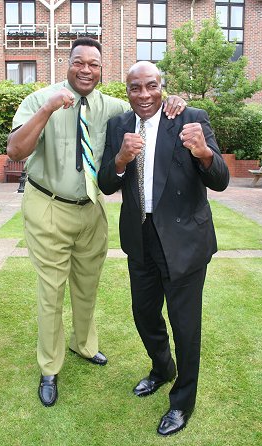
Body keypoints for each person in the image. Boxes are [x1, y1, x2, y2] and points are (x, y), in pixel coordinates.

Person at [7, 37, 186, 408]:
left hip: (92, 209)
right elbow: (15, 150)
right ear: (67, 64)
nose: (86, 69)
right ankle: (49, 368)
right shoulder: (39, 99)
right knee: (51, 292)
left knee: (87, 287)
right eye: (79, 62)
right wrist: (50, 109)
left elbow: (146, 106)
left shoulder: (113, 107)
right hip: (48, 206)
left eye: (94, 64)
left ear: (102, 69)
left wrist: (174, 102)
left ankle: (84, 345)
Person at [98, 61, 229, 436]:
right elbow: (107, 183)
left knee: (186, 326)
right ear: (127, 91)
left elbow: (219, 180)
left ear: (162, 86)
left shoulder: (190, 117)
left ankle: (182, 401)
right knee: (144, 314)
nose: (143, 95)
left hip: (185, 239)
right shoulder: (118, 126)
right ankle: (162, 368)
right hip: (141, 238)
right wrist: (121, 158)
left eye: (151, 86)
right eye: (135, 88)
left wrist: (204, 152)